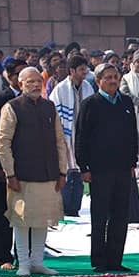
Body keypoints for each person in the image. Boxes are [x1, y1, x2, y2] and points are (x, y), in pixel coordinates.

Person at [0, 67, 66, 276]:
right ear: (21, 84)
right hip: (21, 175)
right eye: (30, 82)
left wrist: (62, 171)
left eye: (38, 81)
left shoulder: (49, 106)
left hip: (48, 173)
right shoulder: (12, 107)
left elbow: (59, 141)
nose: (36, 85)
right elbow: (3, 143)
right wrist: (10, 173)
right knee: (22, 220)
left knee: (42, 218)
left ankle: (37, 261)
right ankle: (24, 263)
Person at [75, 63, 139, 273]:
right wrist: (83, 166)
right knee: (100, 216)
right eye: (108, 77)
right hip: (99, 169)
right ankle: (99, 260)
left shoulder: (126, 102)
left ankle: (115, 259)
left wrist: (132, 162)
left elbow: (132, 135)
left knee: (121, 215)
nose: (113, 81)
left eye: (115, 77)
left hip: (123, 168)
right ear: (98, 80)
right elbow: (81, 137)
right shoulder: (90, 104)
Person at [0, 57, 27, 270]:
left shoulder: (33, 100)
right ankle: (2, 256)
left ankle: (25, 254)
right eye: (19, 75)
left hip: (27, 165)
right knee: (4, 210)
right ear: (10, 77)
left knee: (25, 211)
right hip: (5, 165)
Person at [49, 55, 93, 217]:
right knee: (67, 171)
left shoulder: (88, 87)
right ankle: (66, 207)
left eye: (85, 70)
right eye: (81, 70)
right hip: (66, 135)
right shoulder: (60, 90)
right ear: (72, 71)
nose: (84, 73)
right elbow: (55, 114)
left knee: (80, 171)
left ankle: (75, 207)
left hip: (83, 136)